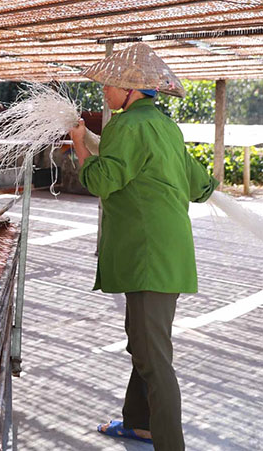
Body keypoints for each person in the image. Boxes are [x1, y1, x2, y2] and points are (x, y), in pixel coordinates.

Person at [69, 43, 217, 451]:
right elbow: (200, 188)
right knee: (142, 342)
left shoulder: (126, 126)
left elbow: (101, 181)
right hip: (165, 254)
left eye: (110, 85)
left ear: (130, 90)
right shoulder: (167, 127)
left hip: (147, 254)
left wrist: (80, 143)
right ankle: (139, 423)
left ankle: (171, 444)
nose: (105, 92)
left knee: (155, 360)